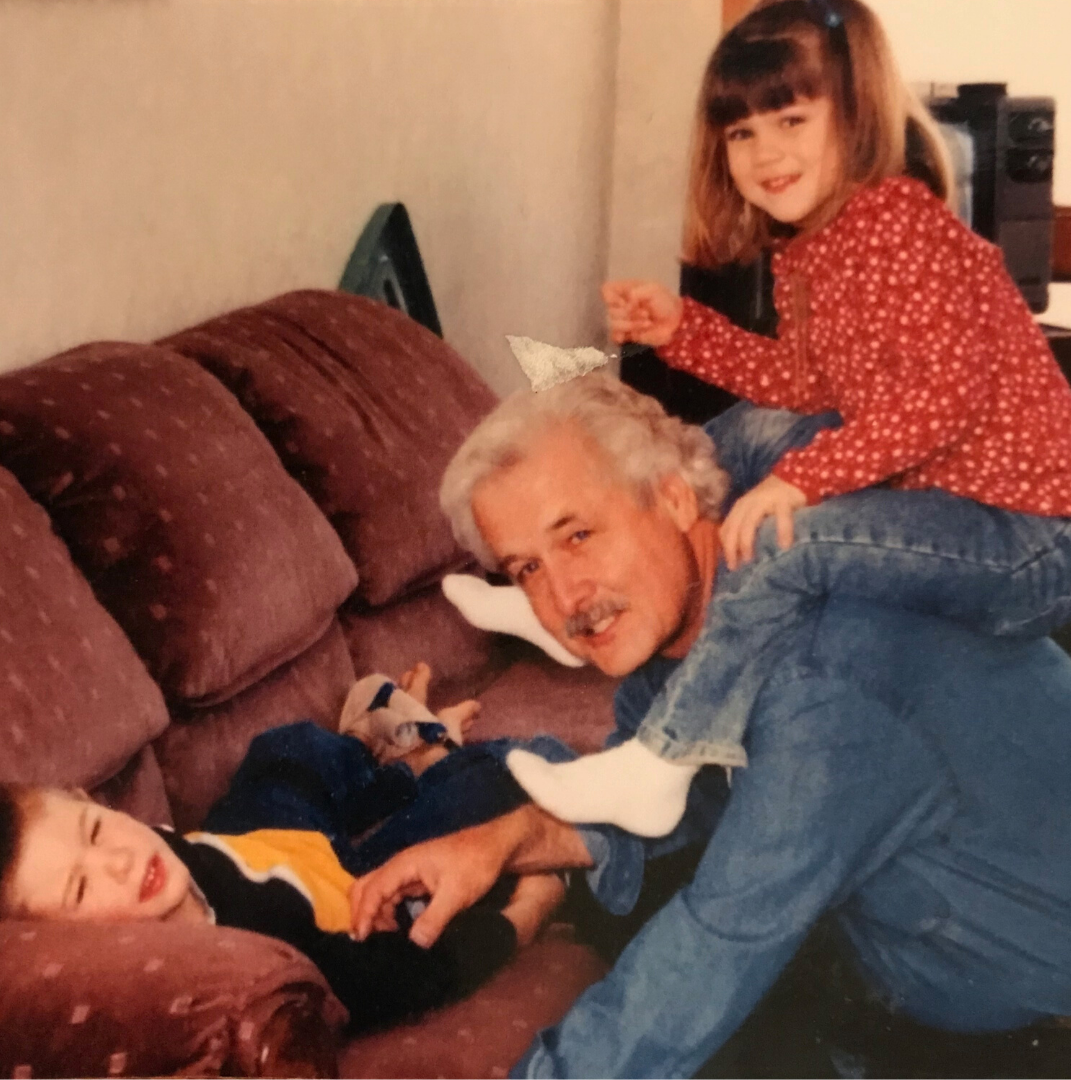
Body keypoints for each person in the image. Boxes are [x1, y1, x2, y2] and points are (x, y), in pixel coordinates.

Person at [350, 376, 1071, 1077]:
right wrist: (507, 843)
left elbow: (717, 943)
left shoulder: (828, 674)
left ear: (672, 495)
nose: (566, 597)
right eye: (528, 568)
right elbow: (694, 789)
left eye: (578, 535)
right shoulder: (701, 621)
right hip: (898, 966)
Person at [500, 0, 1071, 836]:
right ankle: (575, 575)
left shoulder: (896, 227)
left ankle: (663, 764)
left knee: (777, 539)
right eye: (741, 134)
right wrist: (682, 330)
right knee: (753, 431)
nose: (766, 152)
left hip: (1024, 539)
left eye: (792, 119)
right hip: (957, 508)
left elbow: (941, 398)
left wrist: (799, 483)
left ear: (856, 117)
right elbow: (805, 381)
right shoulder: (815, 247)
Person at [0, 672, 568, 1036]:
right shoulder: (257, 960)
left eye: (94, 830)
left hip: (234, 840)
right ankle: (428, 757)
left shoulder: (143, 852)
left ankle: (370, 746)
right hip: (336, 886)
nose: (116, 860)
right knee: (499, 783)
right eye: (81, 889)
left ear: (85, 798)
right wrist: (525, 916)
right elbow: (416, 974)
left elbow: (142, 841)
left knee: (282, 752)